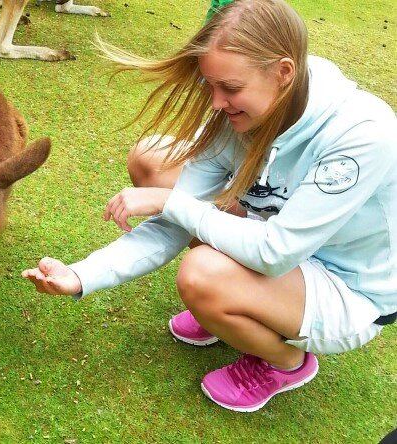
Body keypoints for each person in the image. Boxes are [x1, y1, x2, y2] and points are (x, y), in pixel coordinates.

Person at [22, 0, 397, 413]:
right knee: (153, 159)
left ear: (284, 73)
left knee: (201, 274)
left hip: (348, 286)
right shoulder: (244, 111)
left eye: (231, 89)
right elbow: (173, 224)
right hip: (276, 233)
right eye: (210, 85)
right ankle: (235, 306)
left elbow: (275, 252)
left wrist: (172, 202)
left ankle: (287, 362)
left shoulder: (362, 135)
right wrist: (81, 275)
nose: (216, 103)